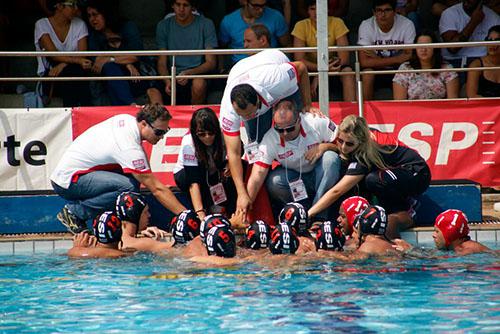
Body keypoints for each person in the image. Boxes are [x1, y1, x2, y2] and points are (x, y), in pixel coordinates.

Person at [51, 103, 187, 234]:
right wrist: (186, 216)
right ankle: (75, 213)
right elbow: (156, 189)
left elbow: (147, 175)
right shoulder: (128, 146)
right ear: (144, 123)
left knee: (132, 182)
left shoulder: (128, 120)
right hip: (69, 182)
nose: (162, 137)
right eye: (158, 132)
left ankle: (121, 223)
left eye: (165, 131)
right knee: (128, 188)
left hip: (70, 175)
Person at [219, 49, 316, 215]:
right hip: (240, 72)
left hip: (275, 70)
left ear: (258, 100)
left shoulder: (277, 80)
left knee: (294, 126)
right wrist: (241, 193)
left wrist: (308, 104)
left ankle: (306, 175)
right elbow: (233, 154)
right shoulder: (228, 110)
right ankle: (263, 203)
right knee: (257, 150)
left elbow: (301, 68)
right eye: (243, 116)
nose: (247, 117)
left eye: (249, 113)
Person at [308, 115, 431, 239]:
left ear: (360, 142)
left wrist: (309, 213)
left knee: (374, 180)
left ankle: (406, 208)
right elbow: (339, 147)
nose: (343, 147)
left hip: (417, 172)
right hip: (395, 170)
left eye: (349, 144)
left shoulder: (365, 154)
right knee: (366, 179)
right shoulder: (352, 133)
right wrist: (327, 146)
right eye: (340, 141)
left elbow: (337, 191)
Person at [246, 100, 341, 219]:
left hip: (320, 173)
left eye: (290, 128)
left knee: (330, 159)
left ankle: (319, 217)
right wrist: (245, 206)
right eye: (280, 129)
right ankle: (300, 213)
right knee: (274, 181)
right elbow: (257, 174)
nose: (285, 133)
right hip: (295, 178)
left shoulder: (316, 121)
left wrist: (324, 147)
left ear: (299, 120)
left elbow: (343, 147)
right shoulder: (270, 138)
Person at [174, 107, 237, 221]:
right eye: (202, 134)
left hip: (215, 171)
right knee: (194, 175)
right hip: (190, 174)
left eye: (211, 133)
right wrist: (200, 212)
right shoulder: (189, 143)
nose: (207, 137)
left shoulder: (224, 134)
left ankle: (232, 212)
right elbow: (193, 181)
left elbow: (239, 151)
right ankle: (209, 208)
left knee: (239, 166)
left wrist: (230, 163)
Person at [85, 0, 152, 106]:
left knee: (109, 65)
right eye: (89, 16)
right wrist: (126, 63)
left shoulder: (127, 27)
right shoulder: (94, 34)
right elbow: (97, 60)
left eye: (95, 15)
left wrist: (110, 58)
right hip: (109, 78)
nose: (92, 19)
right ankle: (130, 105)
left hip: (136, 76)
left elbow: (136, 55)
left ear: (106, 14)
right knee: (109, 67)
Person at [153, 0, 217, 105]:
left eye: (185, 5)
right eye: (178, 4)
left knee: (199, 84)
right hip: (172, 74)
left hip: (197, 73)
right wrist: (168, 81)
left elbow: (211, 62)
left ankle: (195, 118)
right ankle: (159, 119)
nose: (181, 9)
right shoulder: (163, 25)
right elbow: (162, 62)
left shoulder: (206, 24)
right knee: (152, 91)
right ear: (172, 5)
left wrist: (189, 72)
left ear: (192, 7)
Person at [291, 0, 356, 101]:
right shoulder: (301, 25)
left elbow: (344, 58)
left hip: (334, 68)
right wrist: (320, 71)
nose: (316, 12)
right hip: (310, 69)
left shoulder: (337, 22)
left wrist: (322, 72)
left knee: (348, 72)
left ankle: (352, 112)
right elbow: (299, 59)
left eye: (320, 8)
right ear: (307, 11)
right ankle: (303, 111)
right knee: (297, 71)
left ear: (327, 10)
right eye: (312, 9)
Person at [34, 0, 91, 107]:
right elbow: (53, 55)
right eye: (72, 5)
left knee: (75, 73)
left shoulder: (80, 24)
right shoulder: (42, 24)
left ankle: (75, 111)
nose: (76, 9)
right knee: (73, 74)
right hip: (52, 76)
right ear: (59, 6)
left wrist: (63, 64)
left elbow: (83, 55)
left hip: (75, 72)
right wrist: (76, 61)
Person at [358, 0, 416, 100]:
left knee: (406, 70)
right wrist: (397, 59)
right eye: (379, 10)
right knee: (367, 73)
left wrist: (377, 59)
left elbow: (409, 56)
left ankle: (401, 112)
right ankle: (365, 112)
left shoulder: (407, 24)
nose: (383, 14)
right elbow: (364, 62)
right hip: (377, 70)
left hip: (399, 69)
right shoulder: (366, 25)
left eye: (387, 10)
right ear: (374, 12)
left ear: (394, 11)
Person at [219, 0, 290, 66]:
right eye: (256, 6)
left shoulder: (276, 17)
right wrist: (221, 69)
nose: (261, 10)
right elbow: (221, 48)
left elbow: (286, 44)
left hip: (269, 64)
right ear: (244, 1)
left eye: (263, 5)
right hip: (240, 66)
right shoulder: (228, 21)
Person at [393, 30, 460, 100]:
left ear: (435, 47)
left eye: (428, 45)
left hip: (439, 110)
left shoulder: (447, 69)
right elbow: (400, 104)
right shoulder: (405, 69)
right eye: (420, 45)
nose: (423, 49)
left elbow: (452, 102)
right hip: (413, 110)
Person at [439, 0, 500, 73]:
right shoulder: (449, 13)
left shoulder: (494, 18)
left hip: (483, 63)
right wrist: (473, 22)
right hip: (454, 62)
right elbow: (452, 48)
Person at [466, 25, 500, 97]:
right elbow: (472, 95)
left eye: (497, 40)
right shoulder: (476, 65)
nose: (492, 44)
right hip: (483, 106)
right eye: (489, 40)